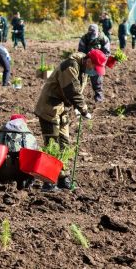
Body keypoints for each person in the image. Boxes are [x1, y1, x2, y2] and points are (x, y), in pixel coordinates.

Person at [34, 49, 105, 191]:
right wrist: (83, 109)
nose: (94, 71)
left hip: (62, 110)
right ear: (89, 60)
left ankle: (62, 178)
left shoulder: (83, 69)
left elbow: (76, 91)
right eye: (95, 67)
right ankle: (49, 181)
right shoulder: (70, 66)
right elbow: (72, 90)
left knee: (64, 144)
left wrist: (77, 108)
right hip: (50, 107)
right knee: (52, 143)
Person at [0, 114, 38, 190]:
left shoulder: (0, 134)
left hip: (3, 171)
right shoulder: (30, 136)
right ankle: (26, 185)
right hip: (23, 173)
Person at [78, 24, 111, 103]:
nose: (92, 35)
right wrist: (87, 58)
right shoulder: (84, 38)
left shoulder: (103, 38)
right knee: (80, 81)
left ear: (97, 32)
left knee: (97, 81)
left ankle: (99, 99)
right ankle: (77, 99)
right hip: (87, 61)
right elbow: (80, 51)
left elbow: (107, 52)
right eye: (91, 34)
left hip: (98, 62)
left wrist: (100, 60)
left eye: (93, 34)